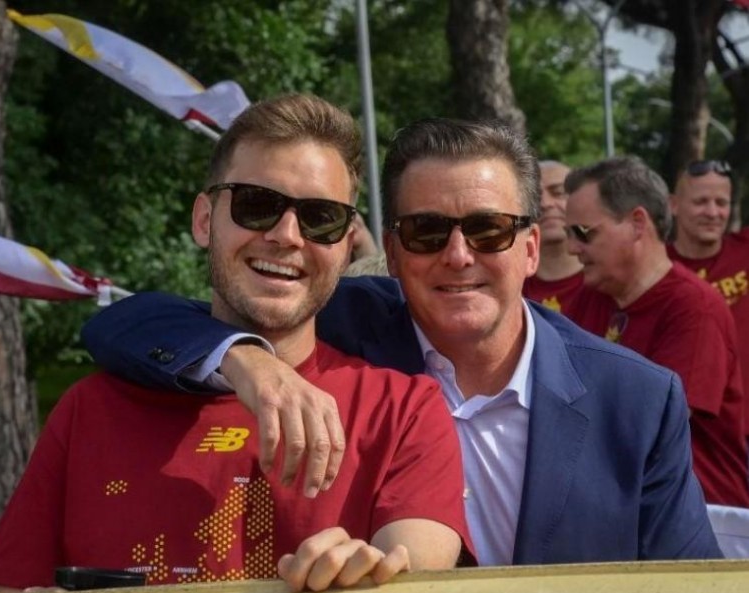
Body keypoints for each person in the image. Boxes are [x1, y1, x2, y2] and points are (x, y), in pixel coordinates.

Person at [82, 118, 722, 565]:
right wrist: (251, 360)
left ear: (531, 246)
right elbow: (128, 324)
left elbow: (688, 582)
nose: (457, 255)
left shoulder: (635, 398)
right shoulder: (343, 324)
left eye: (489, 230)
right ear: (390, 251)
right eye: (425, 231)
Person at [0, 95, 471, 593]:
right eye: (257, 205)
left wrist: (370, 572)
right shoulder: (88, 409)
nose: (286, 235)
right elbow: (11, 590)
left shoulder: (405, 410)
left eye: (321, 218)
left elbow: (417, 567)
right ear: (205, 220)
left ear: (345, 245)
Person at [563, 156, 749, 508]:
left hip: (699, 520)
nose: (573, 247)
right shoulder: (590, 296)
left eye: (584, 232)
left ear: (637, 223)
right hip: (622, 507)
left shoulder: (694, 307)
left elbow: (656, 426)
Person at [667, 159, 749, 446]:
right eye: (701, 201)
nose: (713, 212)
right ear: (673, 205)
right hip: (688, 433)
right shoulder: (657, 268)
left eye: (721, 202)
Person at [522, 160, 583, 312]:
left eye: (558, 192)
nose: (545, 203)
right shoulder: (511, 285)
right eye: (535, 197)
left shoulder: (610, 283)